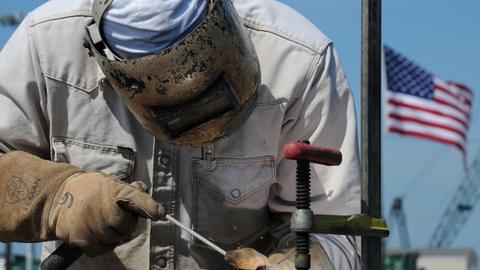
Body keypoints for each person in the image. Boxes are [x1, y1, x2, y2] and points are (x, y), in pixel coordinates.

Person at [0, 0, 361, 269]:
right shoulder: (45, 45)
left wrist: (308, 260)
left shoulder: (299, 60)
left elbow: (338, 231)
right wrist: (54, 197)